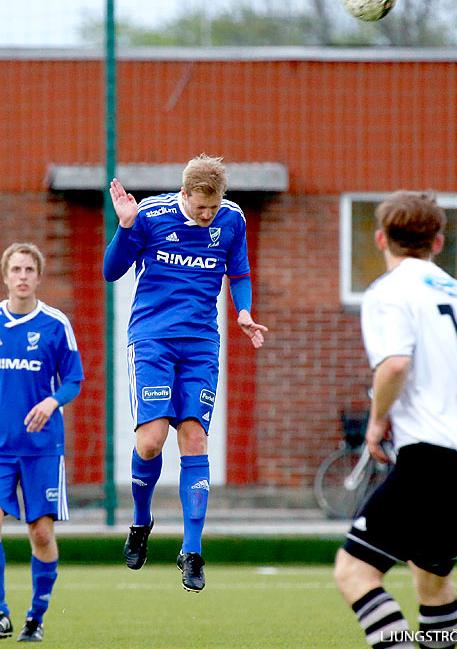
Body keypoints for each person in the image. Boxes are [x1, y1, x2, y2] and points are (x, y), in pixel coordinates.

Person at [334, 191, 457, 649]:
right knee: (430, 575)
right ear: (438, 242)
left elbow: (394, 365)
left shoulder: (388, 291)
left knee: (354, 570)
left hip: (426, 458)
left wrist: (377, 422)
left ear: (381, 238)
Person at [103, 154, 267, 593]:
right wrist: (124, 226)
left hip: (201, 344)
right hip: (153, 340)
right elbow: (110, 271)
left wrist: (244, 312)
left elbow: (240, 271)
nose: (207, 215)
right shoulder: (150, 217)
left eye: (213, 207)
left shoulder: (232, 220)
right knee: (151, 439)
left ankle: (191, 550)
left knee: (194, 435)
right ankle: (141, 521)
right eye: (200, 208)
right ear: (184, 194)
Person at [0, 243, 84, 643]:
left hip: (41, 447)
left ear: (38, 276)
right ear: (5, 276)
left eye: (29, 269)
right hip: (0, 447)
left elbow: (74, 380)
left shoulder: (54, 324)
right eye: (15, 269)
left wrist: (52, 401)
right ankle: (0, 612)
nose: (22, 276)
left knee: (41, 534)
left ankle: (37, 615)